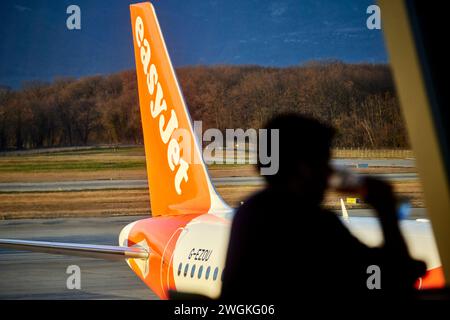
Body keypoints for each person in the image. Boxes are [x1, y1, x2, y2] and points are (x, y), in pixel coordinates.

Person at [220, 113, 426, 301]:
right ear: (304, 169)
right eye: (324, 163)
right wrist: (385, 209)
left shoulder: (250, 213)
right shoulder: (312, 223)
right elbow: (394, 277)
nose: (329, 174)